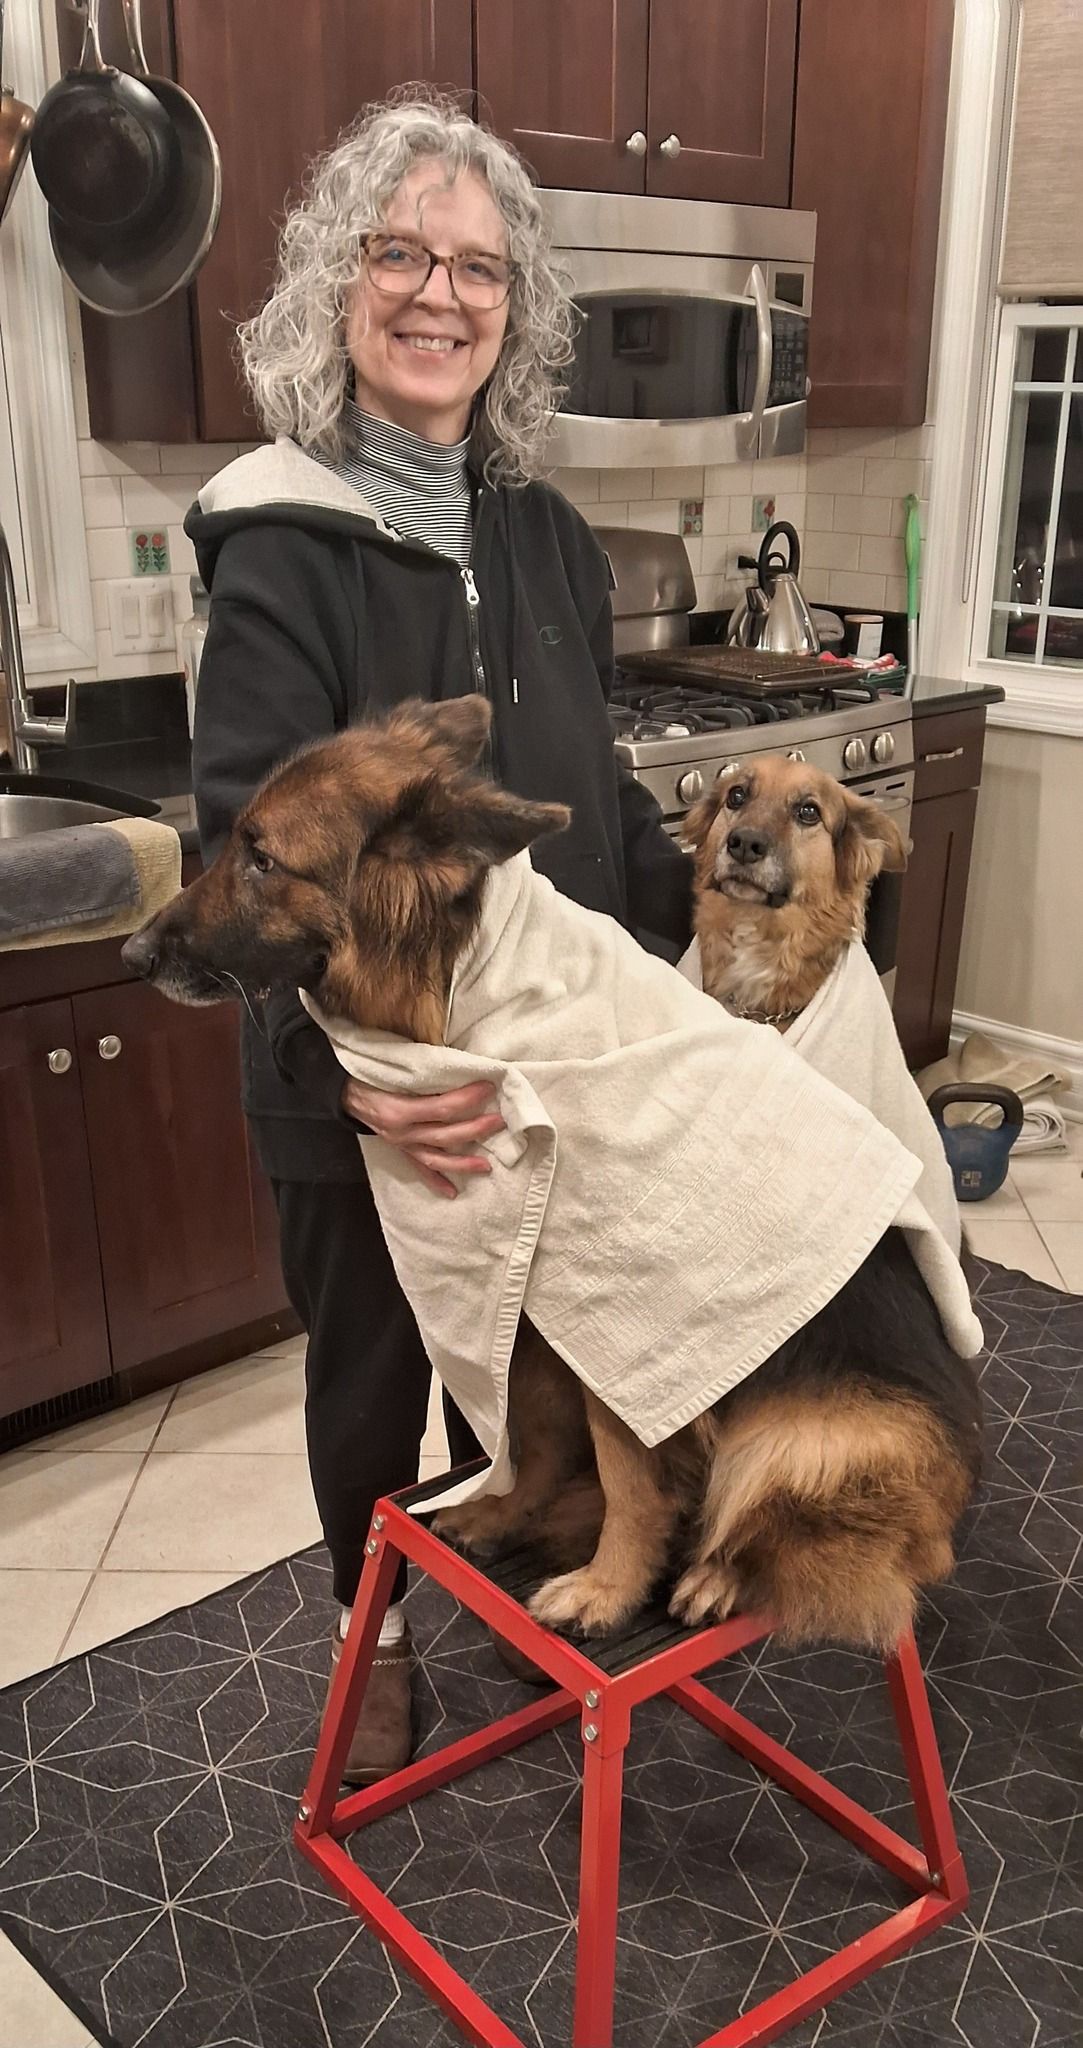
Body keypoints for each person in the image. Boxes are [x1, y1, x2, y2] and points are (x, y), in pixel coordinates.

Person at [187, 89, 692, 1783]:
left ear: (514, 308)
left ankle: (531, 1566)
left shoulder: (543, 530)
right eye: (399, 252)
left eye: (478, 268)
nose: (438, 294)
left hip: (543, 1069)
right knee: (373, 1374)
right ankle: (372, 1625)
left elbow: (595, 793)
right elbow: (242, 854)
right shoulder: (281, 537)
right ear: (340, 281)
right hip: (370, 1089)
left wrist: (705, 958)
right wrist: (341, 1078)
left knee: (537, 1366)